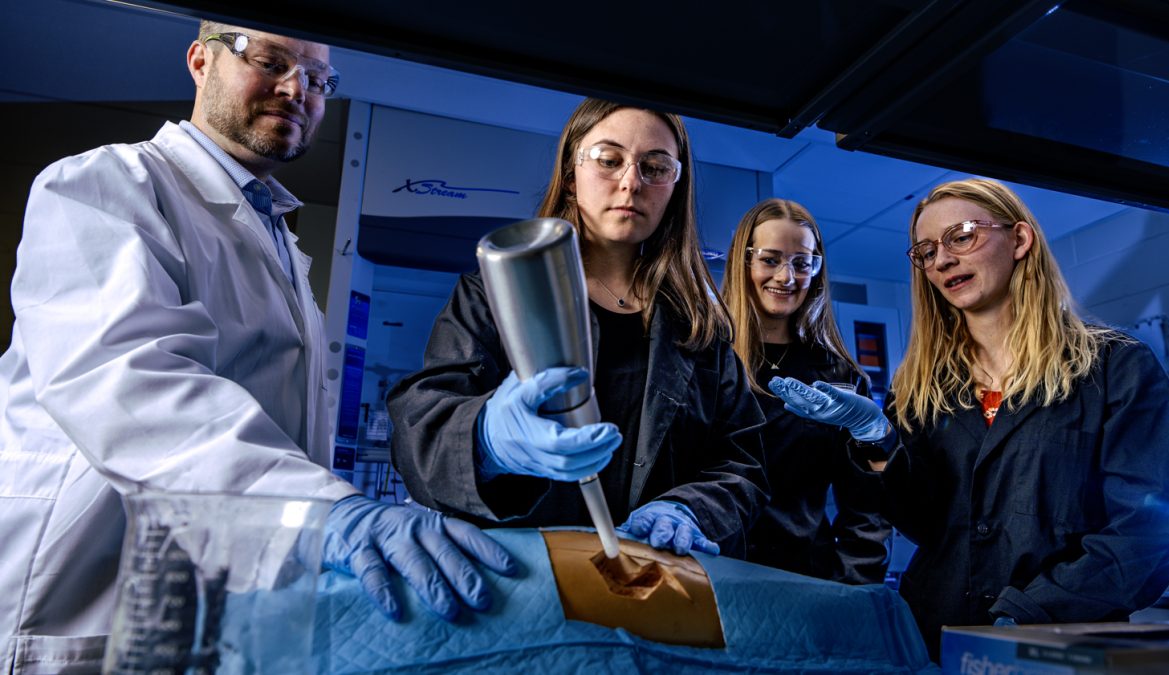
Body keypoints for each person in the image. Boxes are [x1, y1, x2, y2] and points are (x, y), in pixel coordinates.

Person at [0, 21, 514, 673]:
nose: (297, 88)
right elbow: (131, 384)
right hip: (83, 595)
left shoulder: (275, 239)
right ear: (199, 61)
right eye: (270, 59)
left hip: (206, 611)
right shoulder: (107, 186)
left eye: (320, 78)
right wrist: (329, 516)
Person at [770, 178, 1169, 658]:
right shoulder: (922, 385)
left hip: (1058, 645)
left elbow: (1145, 535)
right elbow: (925, 520)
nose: (942, 260)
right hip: (935, 636)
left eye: (962, 235)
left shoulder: (1115, 367)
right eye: (925, 252)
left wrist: (1027, 613)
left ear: (1020, 239)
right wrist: (875, 435)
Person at [390, 98, 769, 558]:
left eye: (656, 167)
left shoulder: (700, 326)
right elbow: (418, 438)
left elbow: (742, 464)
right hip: (524, 579)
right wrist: (486, 441)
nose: (631, 182)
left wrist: (687, 510)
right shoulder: (490, 296)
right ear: (572, 176)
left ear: (674, 187)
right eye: (609, 161)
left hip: (656, 581)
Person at [721, 198, 891, 583]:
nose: (786, 277)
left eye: (802, 263)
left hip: (805, 579)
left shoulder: (839, 375)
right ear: (743, 262)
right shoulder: (707, 360)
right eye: (770, 259)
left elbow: (867, 506)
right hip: (715, 572)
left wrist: (854, 587)